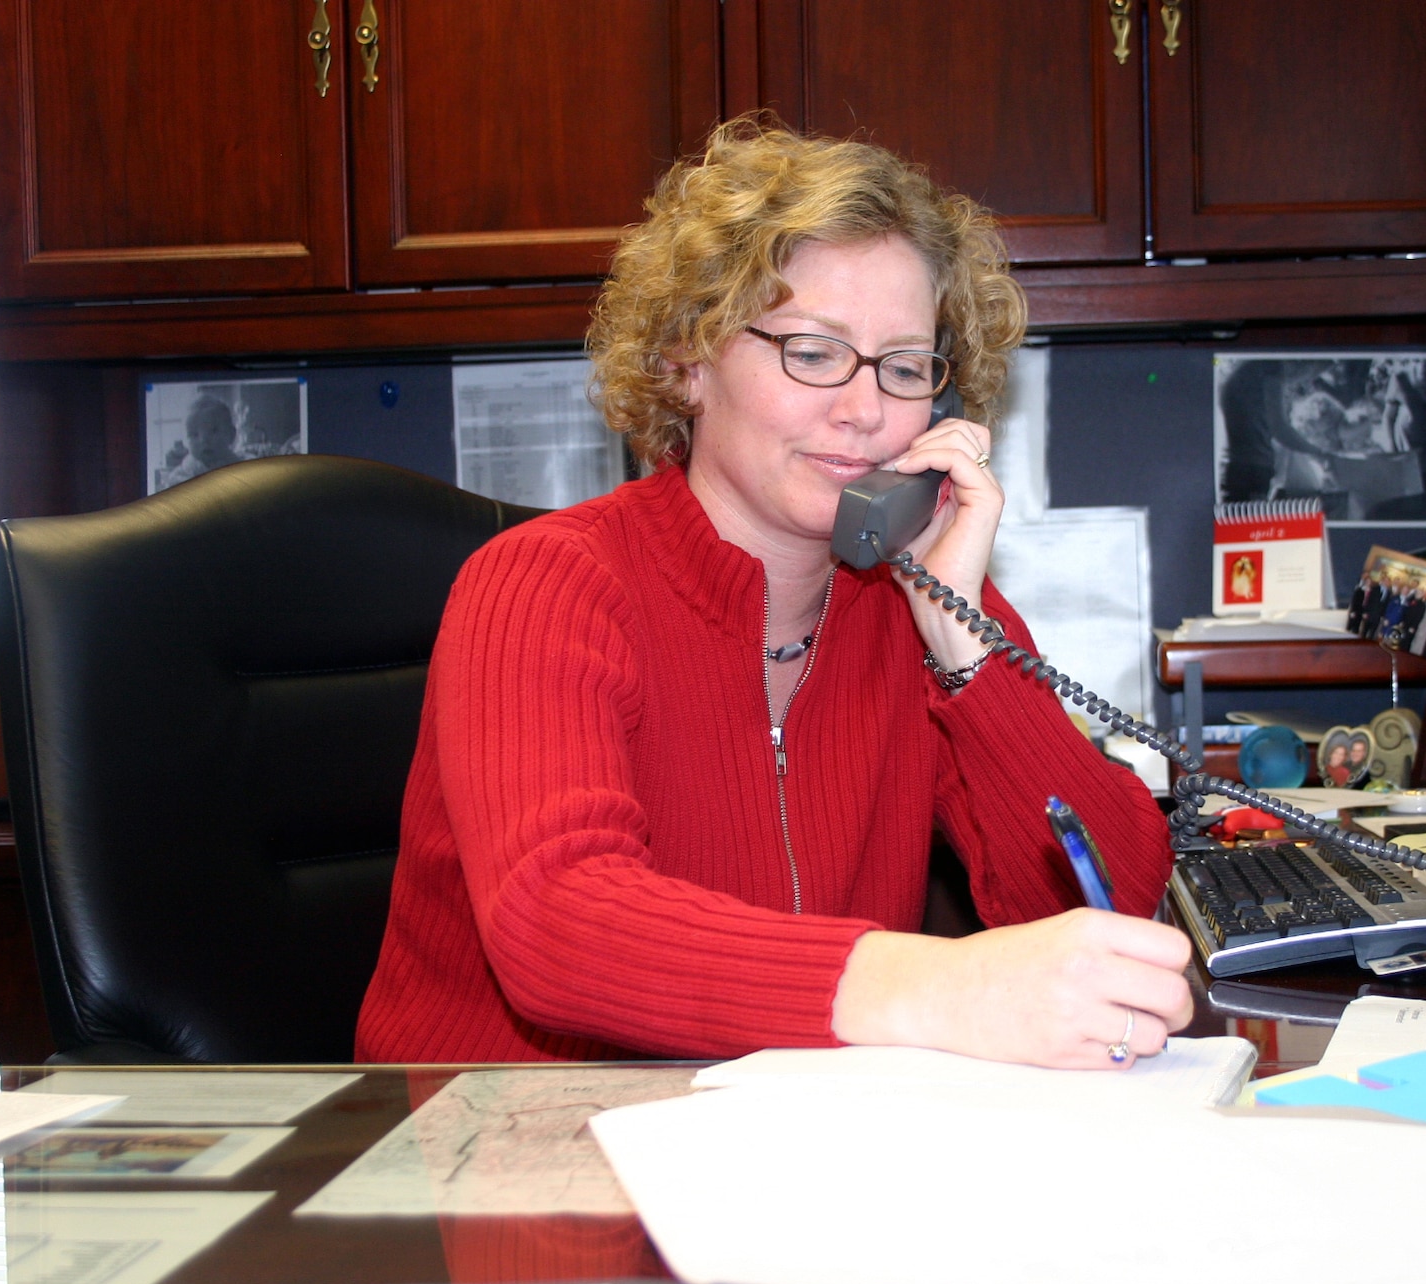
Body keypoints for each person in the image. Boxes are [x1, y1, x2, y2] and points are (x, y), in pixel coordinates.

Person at [356, 119, 1191, 1071]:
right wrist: (938, 986)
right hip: (517, 1163)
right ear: (689, 357)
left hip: (788, 1152)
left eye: (905, 366)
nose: (867, 409)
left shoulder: (920, 597)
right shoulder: (546, 585)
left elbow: (1112, 902)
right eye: (813, 351)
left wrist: (966, 647)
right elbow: (560, 920)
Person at [158, 394, 240, 489]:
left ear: (231, 434)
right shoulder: (182, 475)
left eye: (214, 431)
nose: (204, 440)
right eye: (194, 434)